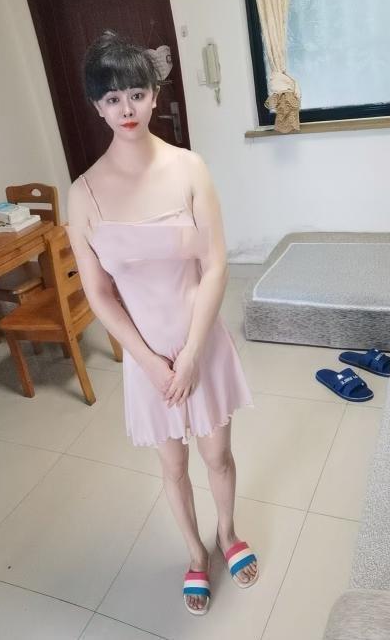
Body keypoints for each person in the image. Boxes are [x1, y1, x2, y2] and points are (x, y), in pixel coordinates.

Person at [67, 30, 258, 615]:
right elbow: (99, 293)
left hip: (201, 342)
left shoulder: (189, 168)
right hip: (146, 358)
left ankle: (228, 533)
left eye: (136, 93)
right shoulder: (83, 193)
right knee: (173, 467)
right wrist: (151, 363)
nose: (126, 108)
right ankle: (195, 553)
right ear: (97, 107)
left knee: (217, 455)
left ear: (154, 95)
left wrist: (193, 352)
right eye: (112, 98)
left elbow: (216, 264)